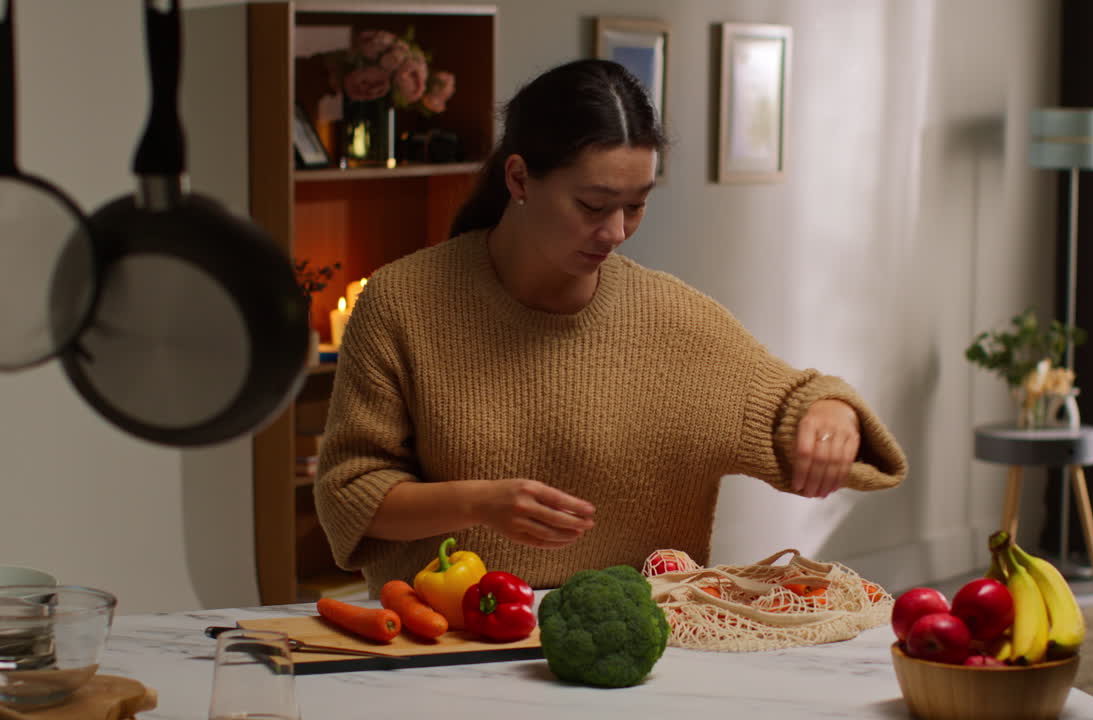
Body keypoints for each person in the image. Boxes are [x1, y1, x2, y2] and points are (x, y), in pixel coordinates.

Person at [315, 59, 908, 595]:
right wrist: (480, 502)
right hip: (446, 642)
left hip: (640, 652)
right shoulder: (403, 303)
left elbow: (794, 407)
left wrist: (831, 411)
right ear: (519, 179)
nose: (617, 232)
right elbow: (350, 495)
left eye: (637, 204)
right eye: (593, 206)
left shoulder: (677, 322)